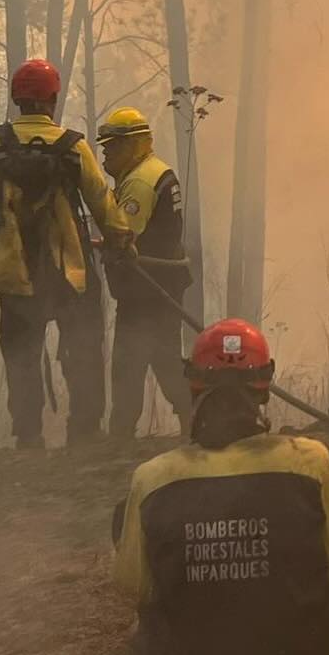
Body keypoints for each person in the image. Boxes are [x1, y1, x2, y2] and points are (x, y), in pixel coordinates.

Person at [112, 318, 329, 655]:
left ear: (193, 384)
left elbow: (135, 585)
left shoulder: (154, 479)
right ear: (264, 385)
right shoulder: (310, 463)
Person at [0, 58, 133, 449]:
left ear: (16, 99)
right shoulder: (73, 146)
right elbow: (102, 200)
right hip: (71, 272)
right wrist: (122, 239)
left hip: (14, 272)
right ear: (53, 98)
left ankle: (28, 435)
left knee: (21, 354)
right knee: (83, 348)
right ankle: (84, 431)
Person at [96, 107, 191, 439]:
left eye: (113, 147)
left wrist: (100, 243)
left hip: (146, 289)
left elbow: (123, 237)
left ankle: (120, 435)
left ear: (134, 144)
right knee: (164, 359)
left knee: (128, 363)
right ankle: (195, 421)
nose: (107, 153)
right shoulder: (156, 171)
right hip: (162, 286)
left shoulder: (138, 182)